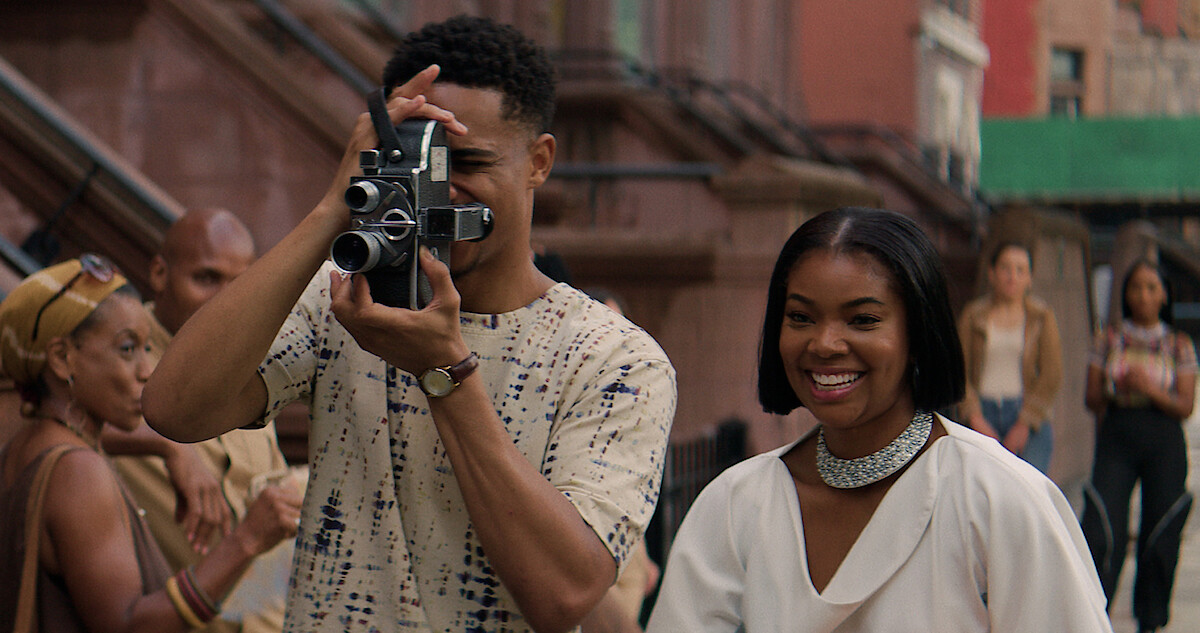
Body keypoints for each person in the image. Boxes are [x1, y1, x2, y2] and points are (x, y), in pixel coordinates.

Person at [143, 15, 677, 633]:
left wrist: (444, 371)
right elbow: (174, 408)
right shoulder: (345, 301)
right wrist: (331, 209)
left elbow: (562, 593)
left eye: (468, 163)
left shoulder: (615, 358)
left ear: (539, 161)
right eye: (420, 169)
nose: (440, 193)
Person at [646, 208, 1111, 632]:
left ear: (918, 333)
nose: (825, 343)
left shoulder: (1000, 498)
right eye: (801, 317)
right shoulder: (734, 506)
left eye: (863, 320)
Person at [0, 256, 301, 633]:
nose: (146, 371)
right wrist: (247, 539)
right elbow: (130, 625)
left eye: (146, 349)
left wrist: (168, 447)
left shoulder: (29, 444)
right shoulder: (76, 469)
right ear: (62, 359)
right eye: (127, 349)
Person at [108, 208, 295, 633]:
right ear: (159, 273)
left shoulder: (253, 365)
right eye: (206, 278)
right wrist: (164, 444)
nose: (227, 301)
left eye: (240, 284)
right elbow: (44, 410)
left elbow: (272, 495)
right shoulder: (123, 360)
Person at [1081, 258, 1196, 633]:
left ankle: (1151, 621)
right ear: (1127, 294)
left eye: (1151, 287)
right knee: (1100, 528)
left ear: (1164, 294)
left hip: (1164, 441)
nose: (1143, 295)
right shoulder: (1109, 339)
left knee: (1160, 535)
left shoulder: (1178, 344)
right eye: (1136, 287)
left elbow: (1185, 405)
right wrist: (1118, 386)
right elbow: (1092, 397)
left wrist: (1150, 389)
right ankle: (1093, 614)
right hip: (1118, 436)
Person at [957, 241, 1062, 473]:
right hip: (982, 412)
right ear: (992, 273)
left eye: (1020, 270)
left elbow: (1051, 374)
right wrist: (975, 417)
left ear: (1029, 278)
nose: (1012, 276)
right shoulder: (973, 315)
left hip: (1026, 413)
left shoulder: (1041, 317)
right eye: (1005, 268)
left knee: (1028, 493)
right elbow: (958, 369)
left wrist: (1024, 423)